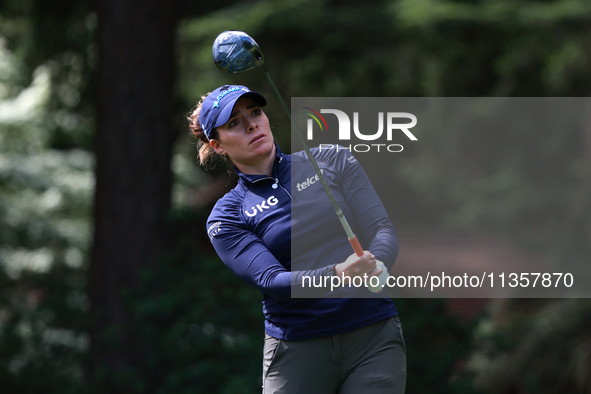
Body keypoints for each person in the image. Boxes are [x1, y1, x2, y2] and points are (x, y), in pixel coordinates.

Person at [188, 84, 406, 393]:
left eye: (255, 112)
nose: (252, 124)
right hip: (297, 350)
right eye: (234, 122)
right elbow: (274, 281)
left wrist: (379, 262)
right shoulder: (227, 215)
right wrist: (337, 275)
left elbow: (381, 228)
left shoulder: (332, 159)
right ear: (218, 145)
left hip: (372, 338)